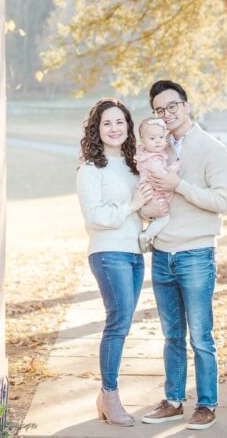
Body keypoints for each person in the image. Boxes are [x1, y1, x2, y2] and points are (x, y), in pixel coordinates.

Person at [140, 80, 227, 431]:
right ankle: (174, 400)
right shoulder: (155, 149)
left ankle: (206, 404)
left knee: (201, 336)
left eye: (172, 106)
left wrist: (178, 185)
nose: (166, 114)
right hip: (162, 254)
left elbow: (221, 202)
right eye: (159, 110)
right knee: (171, 335)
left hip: (196, 253)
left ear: (187, 105)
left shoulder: (212, 149)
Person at [76, 97, 165, 427]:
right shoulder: (90, 169)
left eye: (120, 122)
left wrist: (148, 209)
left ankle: (107, 396)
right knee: (118, 322)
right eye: (107, 123)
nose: (115, 128)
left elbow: (141, 205)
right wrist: (132, 206)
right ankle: (109, 396)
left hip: (133, 254)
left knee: (122, 322)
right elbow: (96, 216)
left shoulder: (133, 166)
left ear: (129, 127)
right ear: (97, 130)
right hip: (107, 252)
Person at [134, 117, 180, 253]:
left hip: (151, 191)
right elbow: (162, 177)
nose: (158, 141)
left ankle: (148, 236)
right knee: (163, 218)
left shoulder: (148, 155)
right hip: (154, 193)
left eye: (161, 136)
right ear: (143, 141)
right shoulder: (152, 159)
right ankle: (146, 236)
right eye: (152, 139)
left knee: (157, 217)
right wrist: (174, 168)